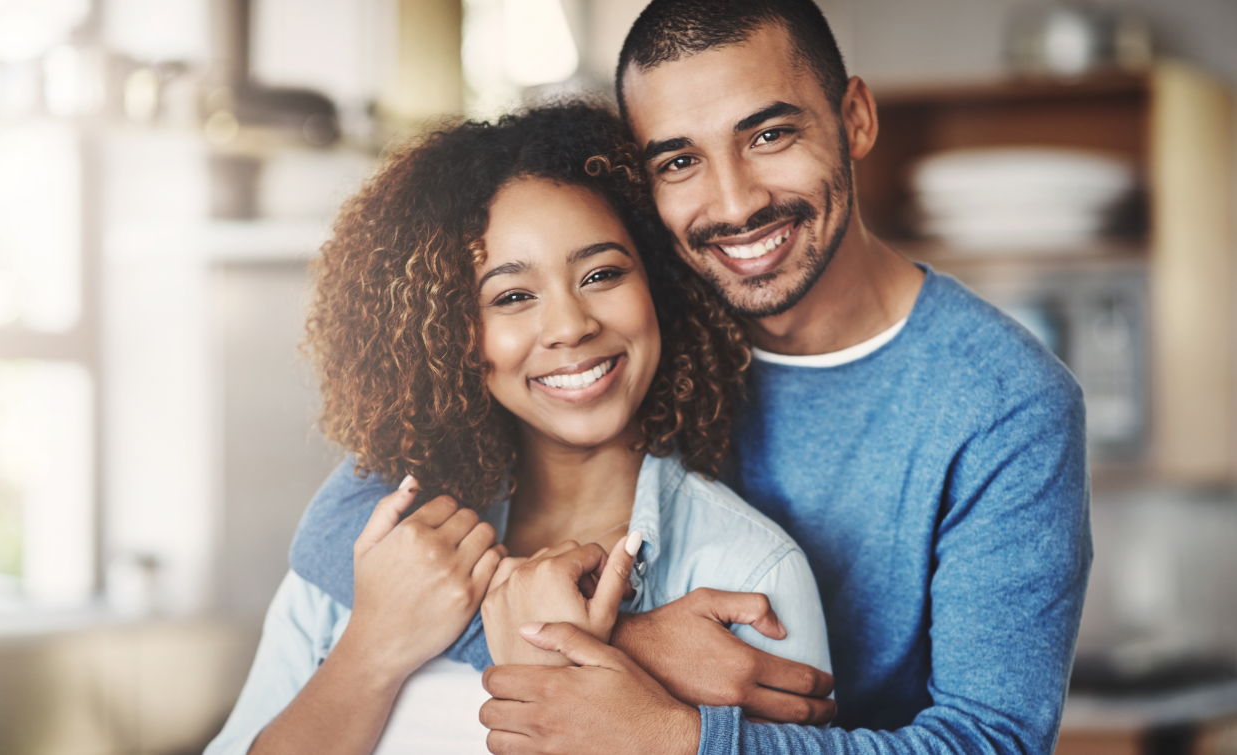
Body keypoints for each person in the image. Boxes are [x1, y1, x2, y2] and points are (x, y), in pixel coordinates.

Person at [288, 1, 1093, 754]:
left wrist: (680, 736)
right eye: (679, 160)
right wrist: (614, 638)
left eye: (770, 136)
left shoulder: (1002, 403)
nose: (735, 202)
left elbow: (994, 741)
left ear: (855, 119)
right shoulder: (647, 331)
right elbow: (342, 529)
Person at [204, 102, 833, 755]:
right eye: (511, 296)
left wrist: (566, 663)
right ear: (452, 333)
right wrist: (371, 648)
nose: (569, 325)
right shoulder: (383, 544)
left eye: (602, 274)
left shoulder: (748, 575)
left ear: (662, 287)